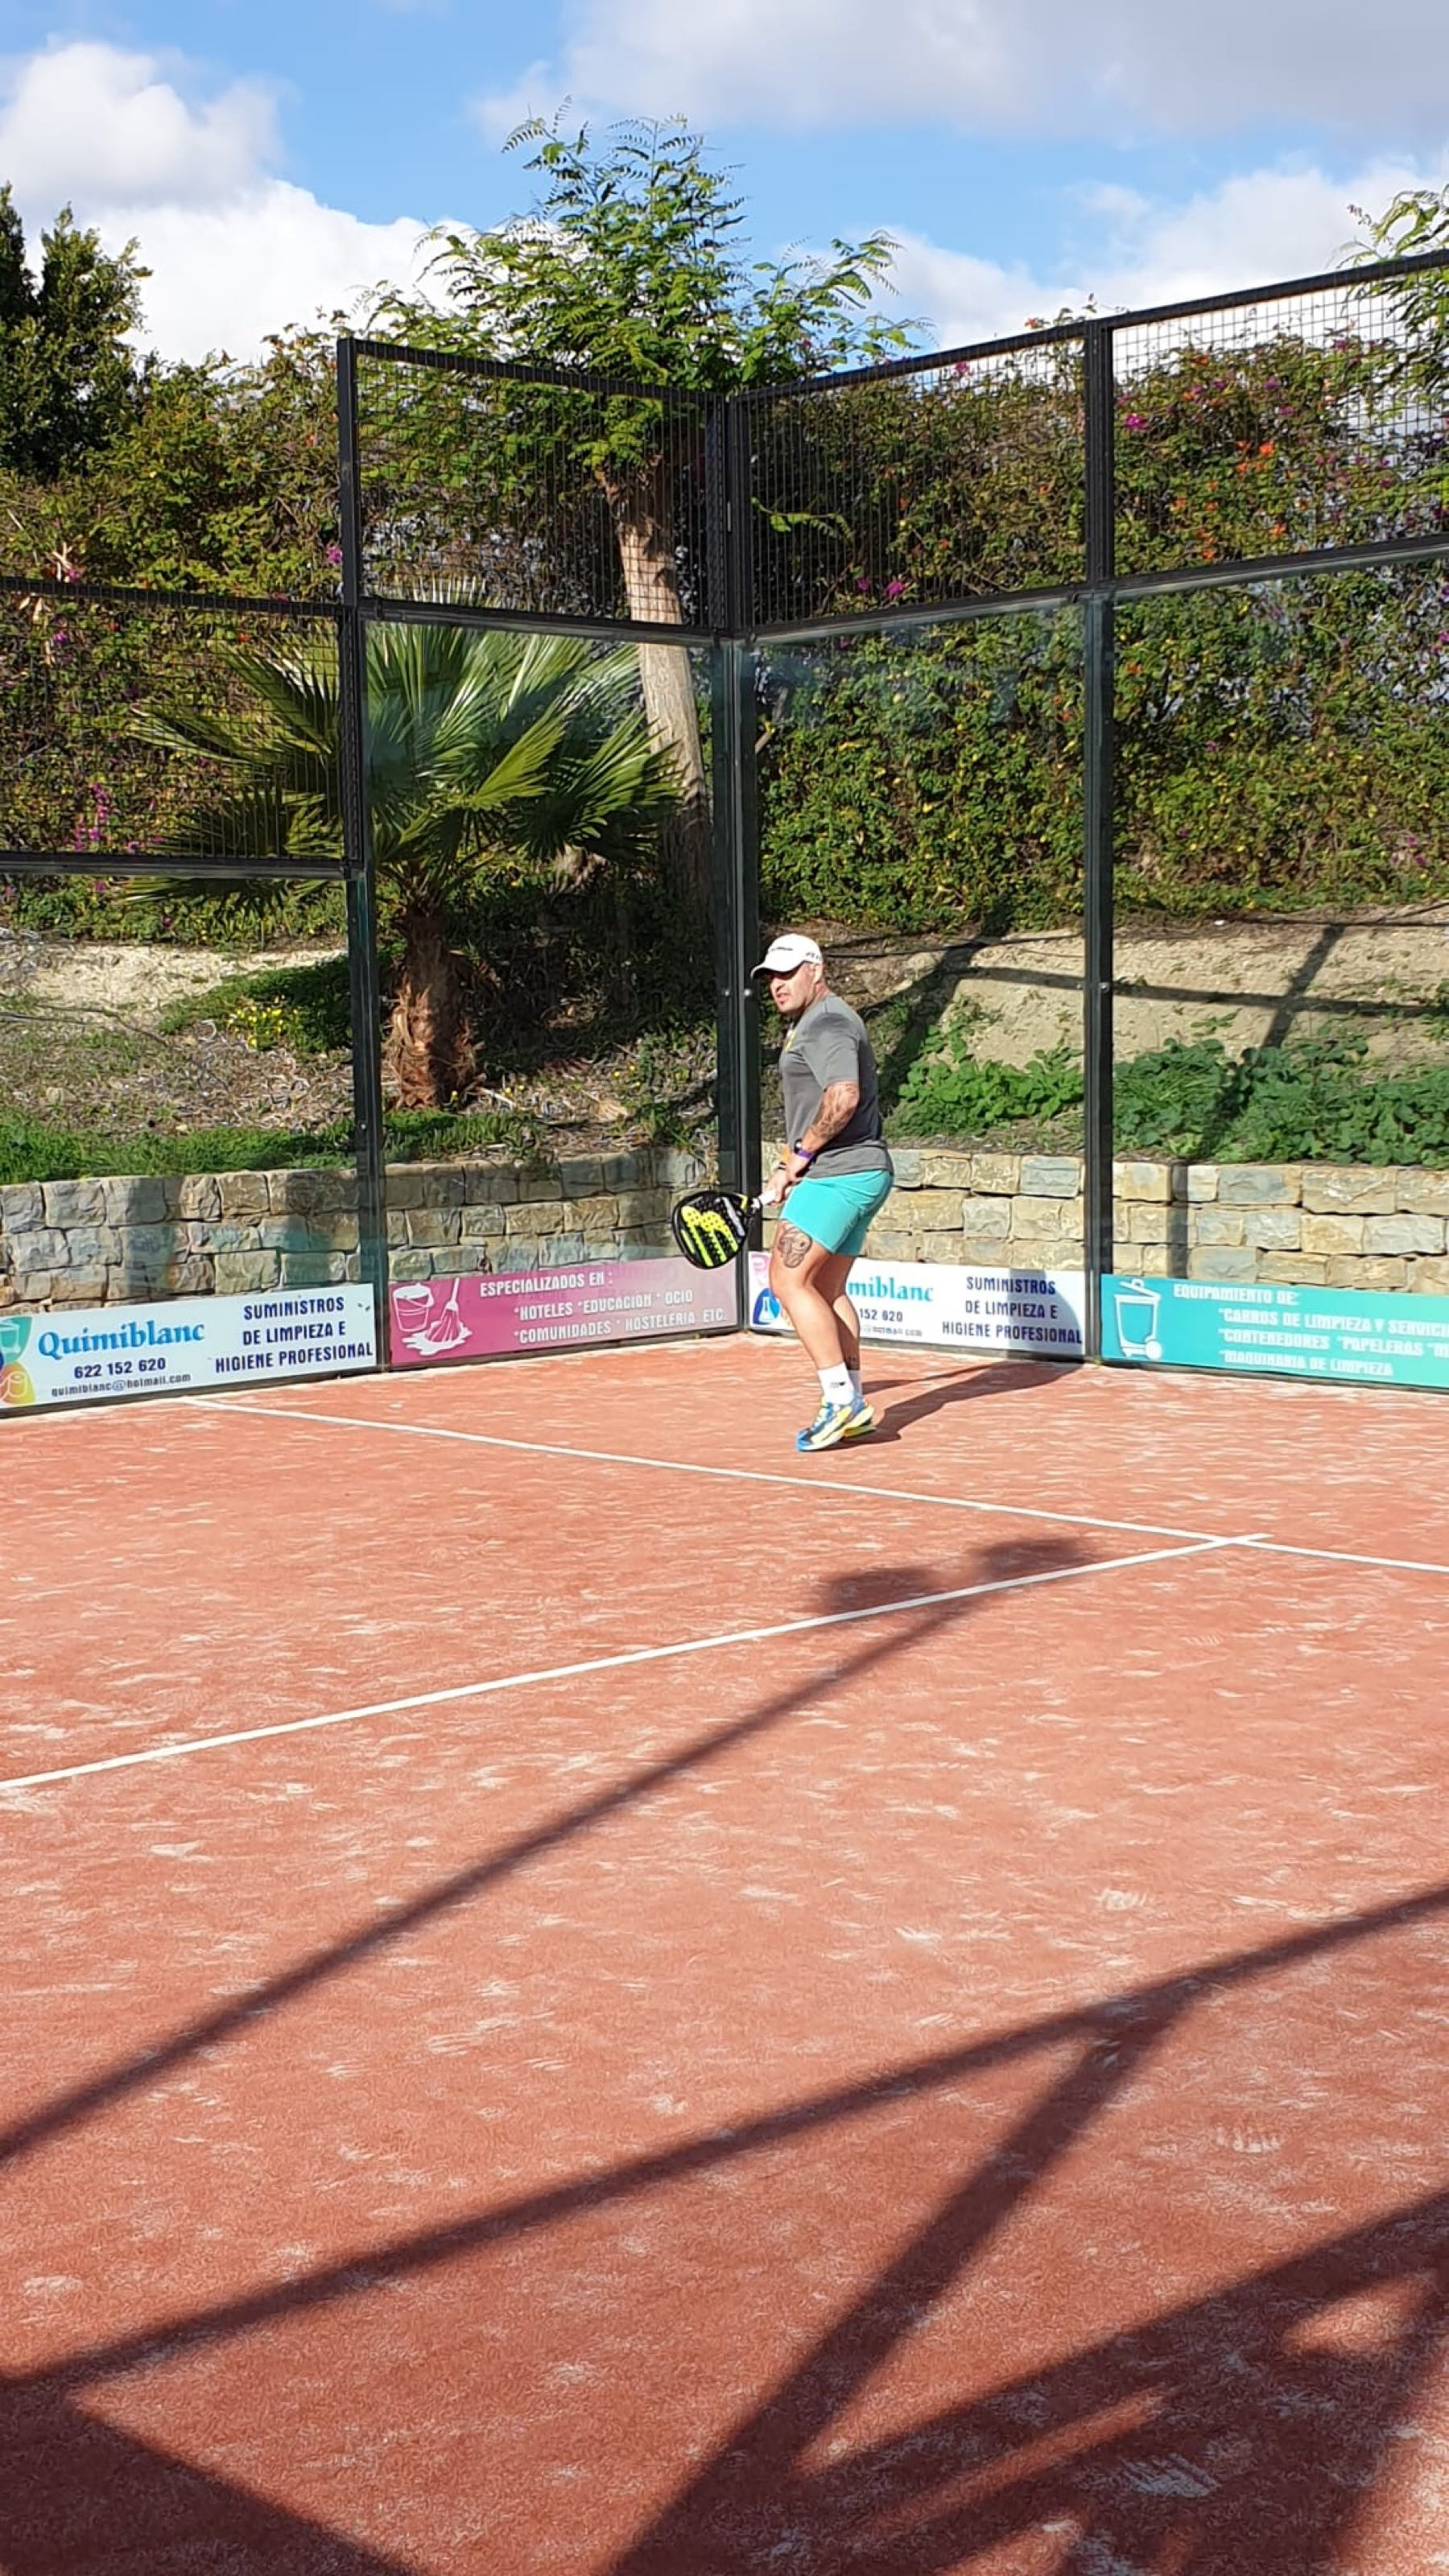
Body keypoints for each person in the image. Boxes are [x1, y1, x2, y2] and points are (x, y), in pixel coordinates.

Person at [753, 932, 894, 1451]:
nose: (778, 984)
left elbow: (843, 1096)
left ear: (816, 969)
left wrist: (799, 1159)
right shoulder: (813, 1023)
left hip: (840, 1172)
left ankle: (840, 1402)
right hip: (856, 1171)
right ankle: (851, 1398)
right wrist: (793, 1164)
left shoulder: (828, 1022)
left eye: (788, 972)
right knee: (827, 1288)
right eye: (771, 975)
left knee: (787, 1281)